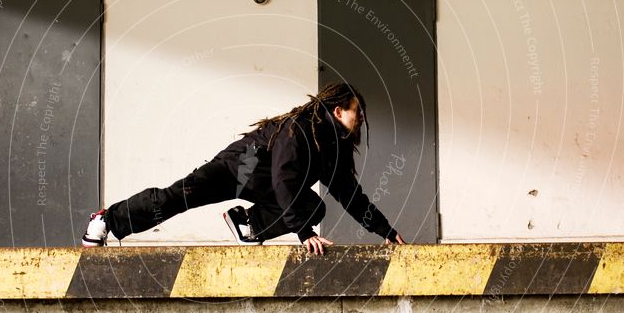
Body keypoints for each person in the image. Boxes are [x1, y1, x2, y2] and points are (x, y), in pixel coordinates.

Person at [81, 82, 406, 254]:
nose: (361, 117)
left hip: (266, 182)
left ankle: (248, 222)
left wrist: (386, 231)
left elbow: (351, 196)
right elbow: (284, 179)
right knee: (174, 199)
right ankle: (107, 219)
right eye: (356, 111)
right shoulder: (300, 130)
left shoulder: (333, 150)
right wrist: (304, 234)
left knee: (312, 207)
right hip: (238, 166)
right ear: (337, 111)